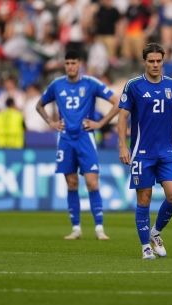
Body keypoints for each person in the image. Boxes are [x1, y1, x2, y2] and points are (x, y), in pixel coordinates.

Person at [36, 50, 120, 240]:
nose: (70, 66)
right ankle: (76, 228)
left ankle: (99, 227)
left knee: (92, 183)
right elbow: (39, 105)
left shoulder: (91, 83)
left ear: (80, 64)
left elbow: (117, 102)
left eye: (73, 63)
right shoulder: (57, 85)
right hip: (65, 139)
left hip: (85, 138)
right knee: (72, 183)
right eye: (67, 63)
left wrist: (101, 123)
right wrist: (50, 122)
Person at [118, 43, 172, 259]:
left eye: (159, 61)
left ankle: (155, 232)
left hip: (167, 151)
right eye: (151, 61)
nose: (155, 65)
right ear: (144, 62)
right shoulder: (134, 86)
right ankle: (144, 247)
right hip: (142, 152)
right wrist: (122, 145)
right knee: (144, 199)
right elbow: (122, 117)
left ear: (163, 61)